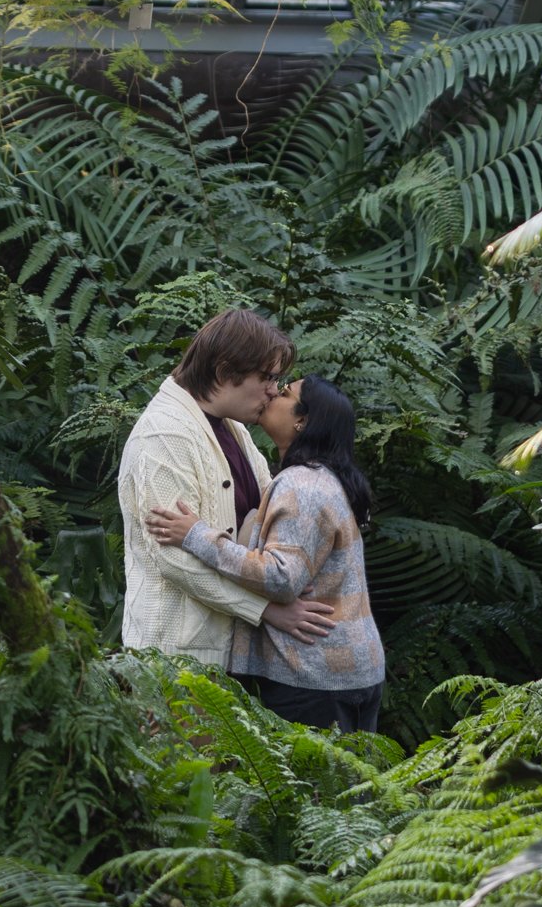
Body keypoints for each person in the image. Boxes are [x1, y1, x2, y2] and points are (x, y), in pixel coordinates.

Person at [147, 374, 384, 733]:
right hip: (342, 669)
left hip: (314, 674)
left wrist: (194, 535)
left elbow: (280, 577)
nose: (272, 392)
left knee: (314, 790)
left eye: (285, 392)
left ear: (302, 420)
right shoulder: (323, 479)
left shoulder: (302, 485)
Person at [117, 307, 335, 663]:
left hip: (224, 656)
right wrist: (265, 609)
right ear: (224, 371)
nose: (273, 390)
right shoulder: (164, 435)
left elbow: (271, 516)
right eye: (266, 377)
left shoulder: (231, 428)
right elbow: (174, 560)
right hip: (171, 655)